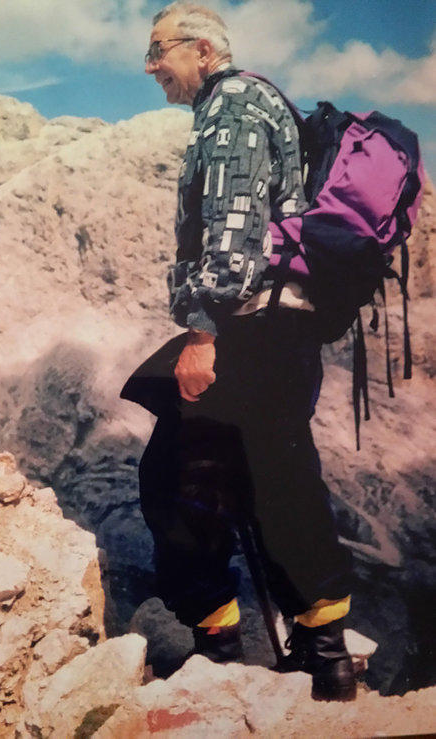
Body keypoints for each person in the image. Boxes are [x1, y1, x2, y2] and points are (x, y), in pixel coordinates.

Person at [132, 1, 357, 701]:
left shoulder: (230, 108)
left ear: (202, 50)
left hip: (246, 328)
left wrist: (201, 336)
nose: (150, 66)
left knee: (176, 479)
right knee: (276, 478)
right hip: (278, 330)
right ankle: (326, 655)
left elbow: (232, 236)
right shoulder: (254, 102)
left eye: (159, 50)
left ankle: (218, 647)